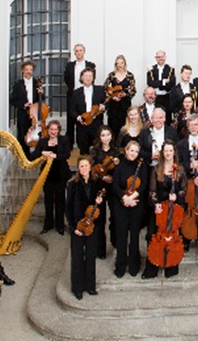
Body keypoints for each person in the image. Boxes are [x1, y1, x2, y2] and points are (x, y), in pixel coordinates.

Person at [142, 141, 187, 279]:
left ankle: (171, 264)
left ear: (174, 152)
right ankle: (152, 266)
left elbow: (183, 189)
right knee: (153, 235)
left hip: (174, 209)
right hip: (160, 208)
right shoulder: (156, 169)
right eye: (166, 151)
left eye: (170, 151)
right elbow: (152, 191)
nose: (168, 153)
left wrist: (177, 195)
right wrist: (155, 204)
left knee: (172, 236)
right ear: (162, 153)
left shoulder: (180, 170)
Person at [66, 155, 104, 300]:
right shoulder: (72, 184)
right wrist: (73, 227)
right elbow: (68, 207)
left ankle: (90, 286)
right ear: (78, 168)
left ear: (90, 167)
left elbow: (101, 206)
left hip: (92, 225)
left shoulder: (97, 183)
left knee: (90, 255)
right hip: (78, 224)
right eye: (81, 166)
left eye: (86, 166)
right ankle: (77, 288)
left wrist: (100, 201)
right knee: (77, 257)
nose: (84, 168)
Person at [112, 140, 147, 278]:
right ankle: (120, 266)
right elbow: (115, 185)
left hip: (136, 204)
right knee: (121, 236)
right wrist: (125, 198)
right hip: (121, 204)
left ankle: (134, 266)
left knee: (134, 236)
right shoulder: (119, 166)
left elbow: (143, 184)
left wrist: (132, 197)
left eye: (136, 151)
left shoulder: (141, 166)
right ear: (126, 151)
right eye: (131, 150)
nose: (133, 154)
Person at [31, 119, 71, 235]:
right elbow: (33, 155)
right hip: (47, 175)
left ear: (59, 130)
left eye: (55, 129)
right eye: (51, 129)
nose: (53, 132)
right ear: (48, 130)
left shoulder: (64, 140)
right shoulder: (43, 141)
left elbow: (67, 154)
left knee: (60, 200)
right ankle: (48, 224)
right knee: (48, 200)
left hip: (60, 173)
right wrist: (42, 153)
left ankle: (60, 225)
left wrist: (55, 156)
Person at [89, 126, 120, 257]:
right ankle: (100, 249)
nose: (106, 138)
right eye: (103, 135)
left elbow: (120, 171)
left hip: (113, 187)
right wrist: (103, 177)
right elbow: (92, 170)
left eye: (108, 135)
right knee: (100, 218)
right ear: (99, 137)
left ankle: (115, 242)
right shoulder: (94, 151)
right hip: (99, 186)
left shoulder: (116, 151)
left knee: (115, 216)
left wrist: (118, 163)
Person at [64, 44, 96, 145]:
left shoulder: (90, 65)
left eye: (80, 50)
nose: (78, 53)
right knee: (71, 121)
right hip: (73, 95)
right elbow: (66, 79)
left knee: (86, 118)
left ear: (84, 52)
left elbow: (92, 78)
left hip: (86, 94)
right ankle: (70, 145)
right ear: (74, 52)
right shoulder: (69, 65)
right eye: (76, 51)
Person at [69, 67, 106, 154]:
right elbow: (72, 110)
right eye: (85, 76)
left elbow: (106, 102)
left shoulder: (100, 90)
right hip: (82, 125)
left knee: (98, 150)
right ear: (81, 78)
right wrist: (78, 117)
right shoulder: (76, 93)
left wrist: (104, 107)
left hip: (96, 124)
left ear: (93, 78)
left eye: (90, 76)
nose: (88, 78)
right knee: (83, 150)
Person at [10, 60, 43, 152]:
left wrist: (42, 93)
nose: (28, 72)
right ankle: (24, 156)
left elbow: (41, 99)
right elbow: (12, 100)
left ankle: (37, 154)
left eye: (30, 70)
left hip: (35, 114)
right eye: (26, 69)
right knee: (23, 135)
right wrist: (23, 105)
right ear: (23, 71)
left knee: (38, 134)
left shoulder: (37, 83)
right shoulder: (18, 84)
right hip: (23, 113)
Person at [104, 55, 136, 139]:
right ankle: (113, 143)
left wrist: (126, 94)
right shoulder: (112, 75)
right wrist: (112, 97)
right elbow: (105, 88)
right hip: (114, 104)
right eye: (118, 63)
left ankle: (124, 144)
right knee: (113, 125)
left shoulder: (129, 76)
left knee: (125, 125)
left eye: (121, 63)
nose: (120, 65)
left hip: (125, 104)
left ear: (125, 63)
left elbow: (133, 90)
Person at [147, 50, 176, 116]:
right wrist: (164, 82)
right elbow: (150, 83)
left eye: (162, 57)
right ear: (156, 58)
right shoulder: (151, 69)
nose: (160, 59)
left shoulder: (170, 69)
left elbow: (172, 84)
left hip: (167, 97)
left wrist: (158, 85)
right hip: (155, 98)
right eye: (158, 57)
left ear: (165, 57)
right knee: (155, 115)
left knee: (167, 116)